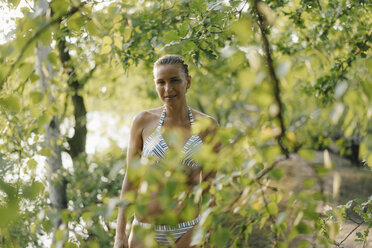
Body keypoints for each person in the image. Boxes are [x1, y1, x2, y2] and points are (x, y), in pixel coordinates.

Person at [114, 55, 219, 248]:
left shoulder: (208, 126)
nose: (167, 89)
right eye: (160, 82)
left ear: (188, 82)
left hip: (187, 231)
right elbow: (130, 180)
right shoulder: (143, 121)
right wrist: (120, 234)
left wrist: (206, 231)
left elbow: (209, 188)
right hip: (144, 232)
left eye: (174, 80)